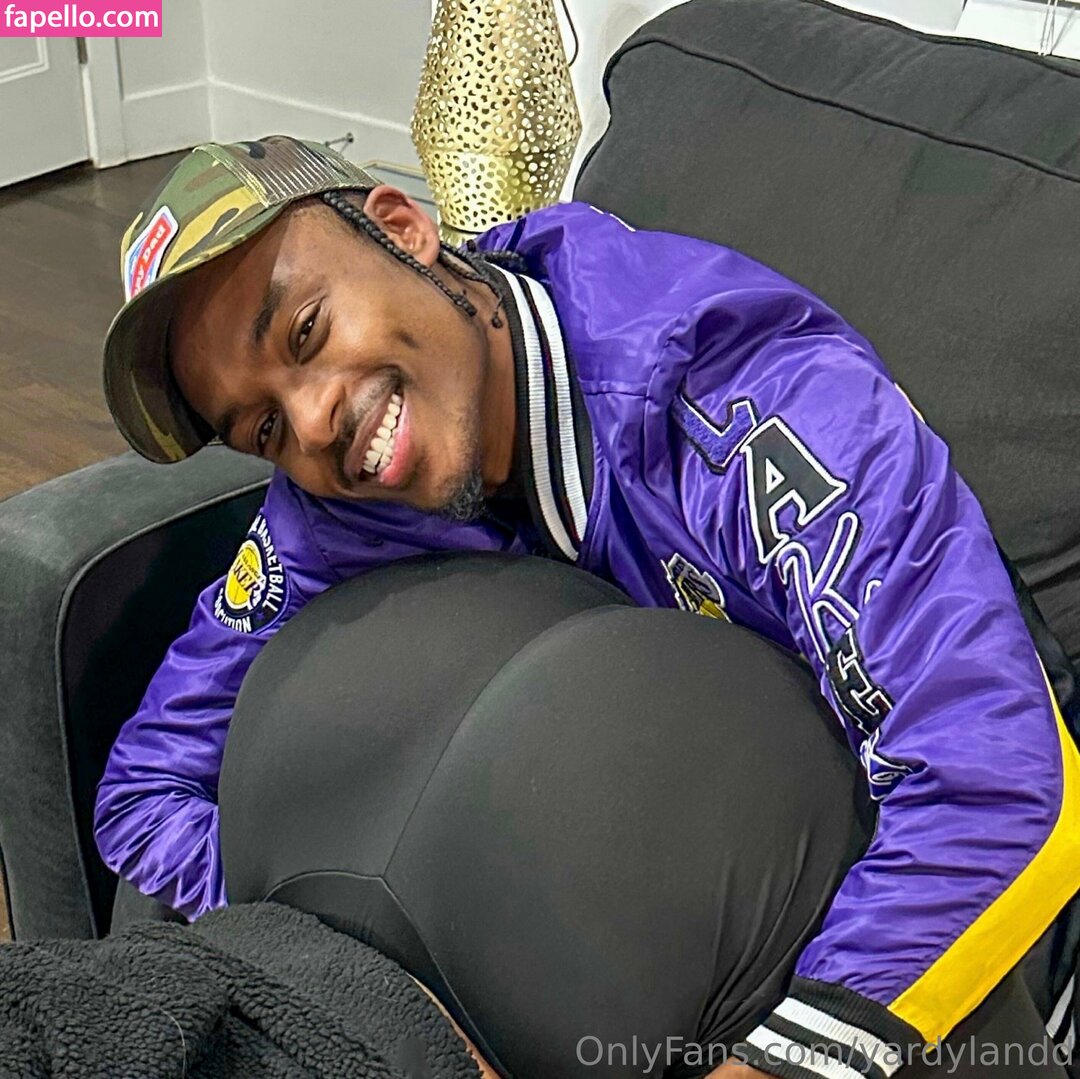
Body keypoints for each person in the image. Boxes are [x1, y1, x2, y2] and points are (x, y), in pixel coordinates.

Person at [95, 135, 1080, 1079]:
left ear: (404, 228)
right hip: (633, 943)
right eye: (264, 425)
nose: (312, 420)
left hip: (966, 942)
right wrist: (339, 973)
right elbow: (148, 785)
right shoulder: (340, 496)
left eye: (306, 332)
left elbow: (992, 773)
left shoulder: (743, 400)